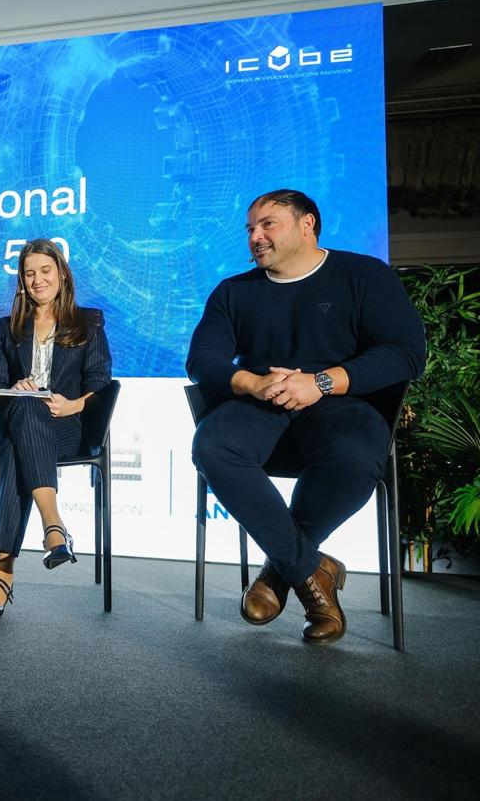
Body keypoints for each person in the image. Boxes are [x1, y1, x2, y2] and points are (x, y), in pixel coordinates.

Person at [188, 188, 425, 643]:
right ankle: (314, 570)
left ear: (307, 224)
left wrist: (320, 382)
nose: (255, 236)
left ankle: (282, 570)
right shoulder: (234, 291)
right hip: (263, 403)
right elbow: (203, 359)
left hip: (340, 404)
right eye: (250, 229)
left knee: (355, 456)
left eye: (268, 224)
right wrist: (253, 383)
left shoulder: (363, 275)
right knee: (213, 445)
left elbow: (407, 353)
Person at [0, 239, 112, 618]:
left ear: (62, 274)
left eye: (45, 271)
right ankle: (53, 524)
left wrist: (73, 405)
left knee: (18, 449)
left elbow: (101, 382)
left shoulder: (88, 323)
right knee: (24, 410)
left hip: (66, 426)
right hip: (16, 421)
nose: (37, 280)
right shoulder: (8, 328)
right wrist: (15, 389)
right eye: (29, 273)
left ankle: (3, 574)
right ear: (21, 280)